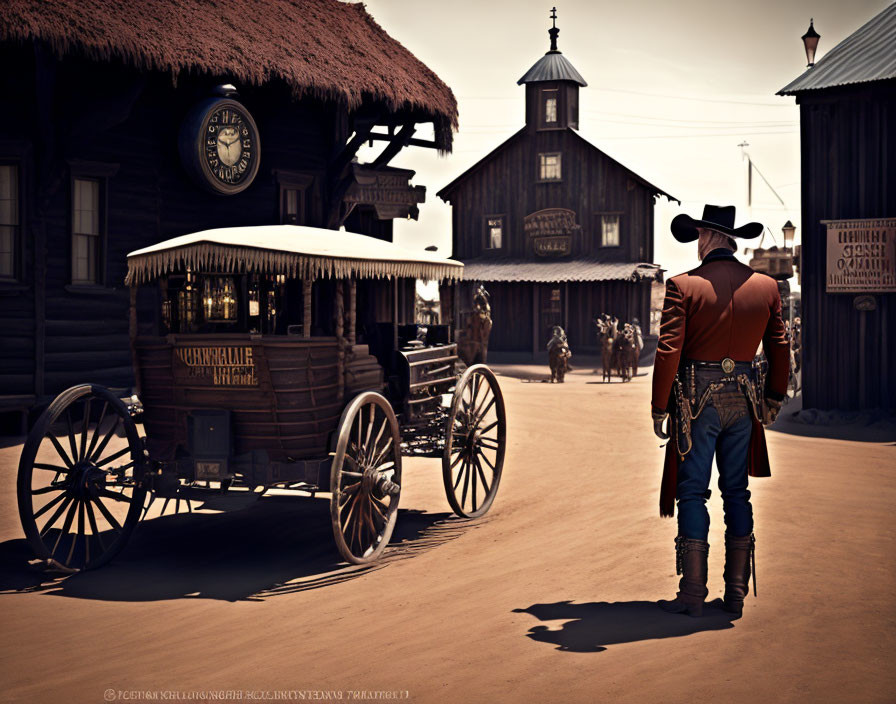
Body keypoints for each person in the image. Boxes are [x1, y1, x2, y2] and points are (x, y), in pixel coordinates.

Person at [651, 205, 789, 618]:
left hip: (696, 402)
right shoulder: (766, 287)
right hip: (744, 402)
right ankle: (735, 594)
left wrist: (660, 406)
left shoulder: (682, 286)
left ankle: (693, 593)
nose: (697, 244)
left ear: (709, 238)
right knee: (737, 493)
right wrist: (775, 397)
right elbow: (781, 348)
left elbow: (668, 351)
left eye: (698, 236)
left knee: (693, 491)